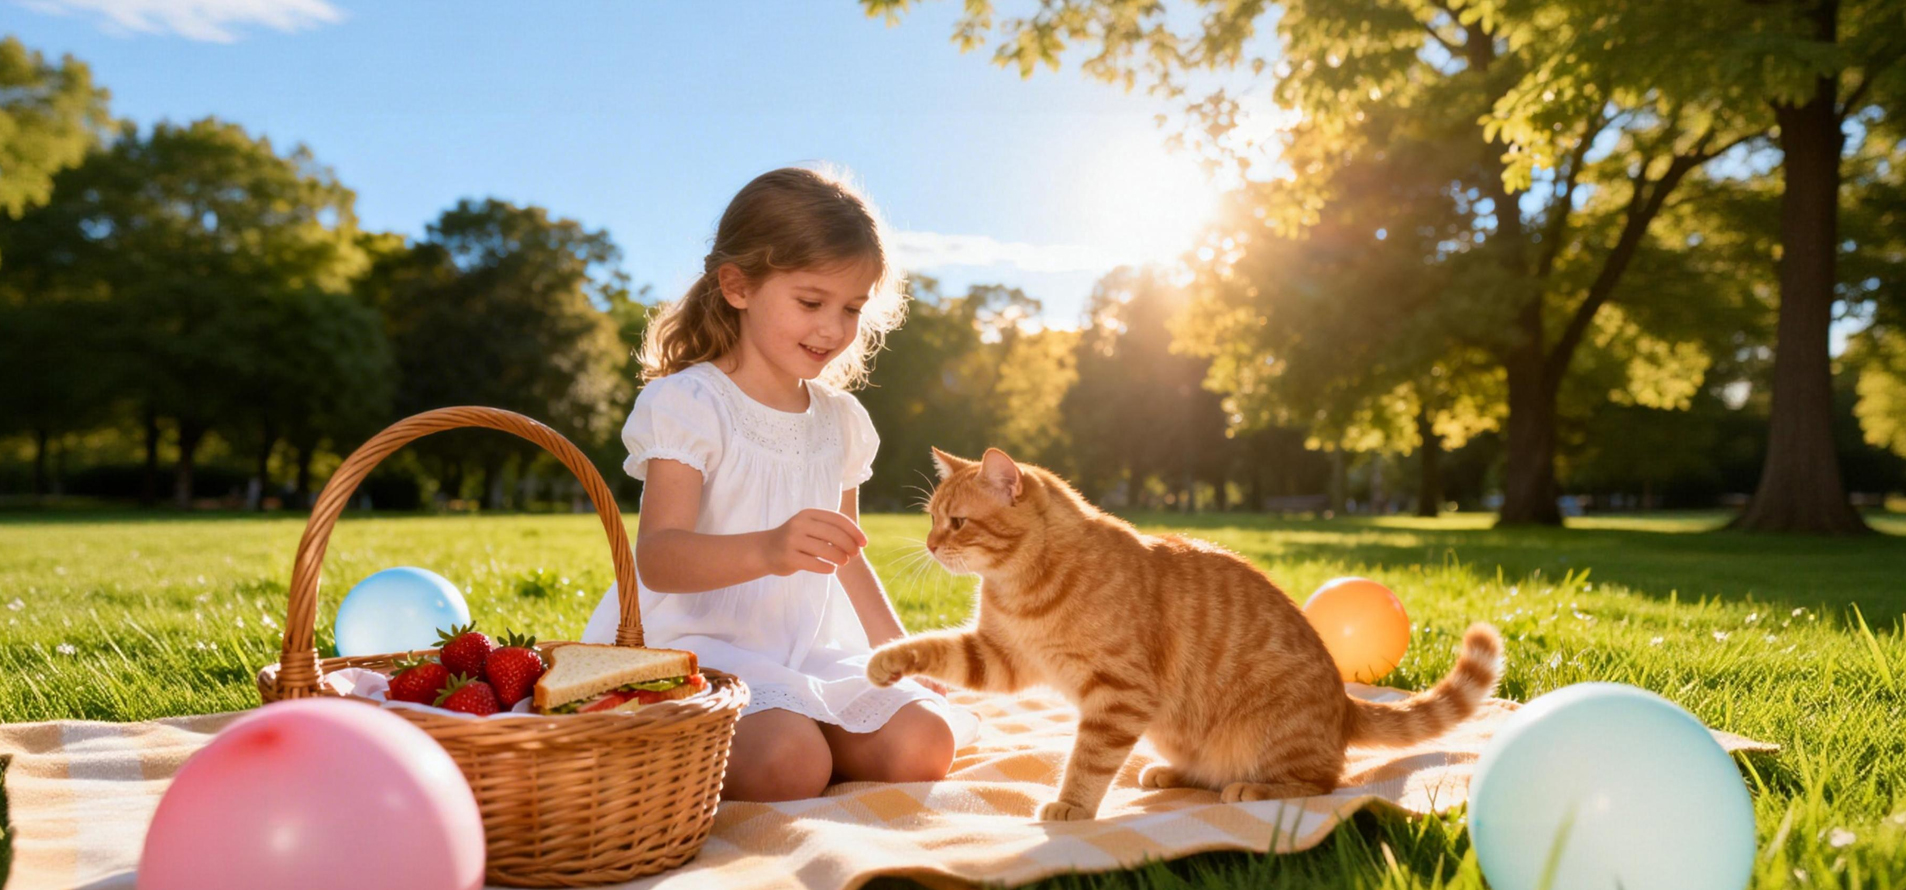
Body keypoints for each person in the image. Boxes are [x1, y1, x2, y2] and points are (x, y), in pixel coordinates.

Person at [582, 166, 970, 801]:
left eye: (852, 308)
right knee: (789, 765)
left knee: (925, 743)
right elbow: (657, 558)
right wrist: (766, 547)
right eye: (811, 303)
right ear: (737, 287)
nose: (834, 330)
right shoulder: (690, 403)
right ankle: (760, 741)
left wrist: (898, 651)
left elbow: (848, 557)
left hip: (803, 648)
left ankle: (811, 727)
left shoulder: (840, 421)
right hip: (696, 651)